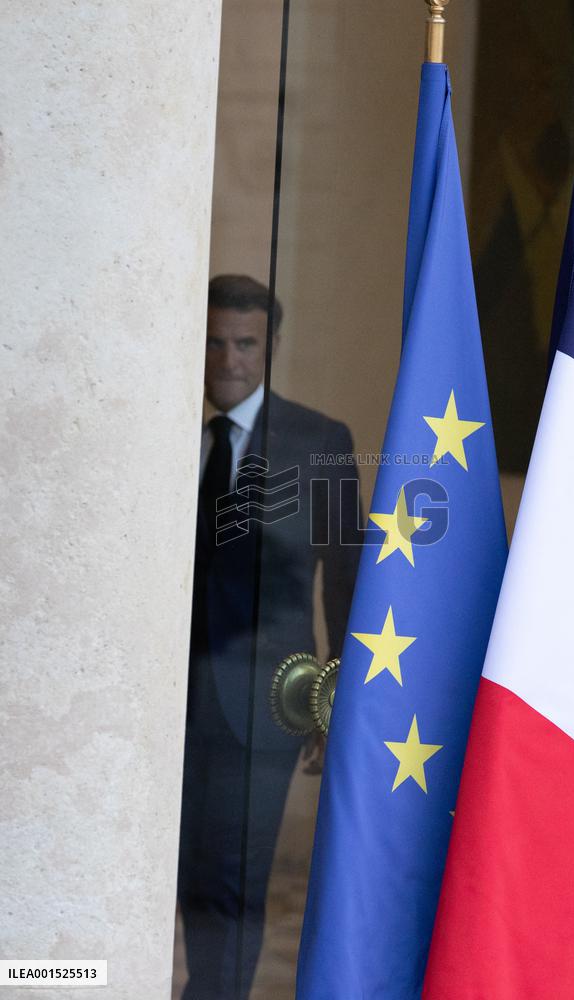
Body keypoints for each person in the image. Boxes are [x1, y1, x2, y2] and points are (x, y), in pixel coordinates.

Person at [177, 275, 361, 1000]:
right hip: (166, 704)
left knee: (235, 878)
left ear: (272, 347)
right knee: (190, 873)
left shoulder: (318, 441)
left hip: (263, 704)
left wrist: (333, 700)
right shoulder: (158, 429)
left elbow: (344, 578)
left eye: (245, 344)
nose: (228, 360)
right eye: (215, 342)